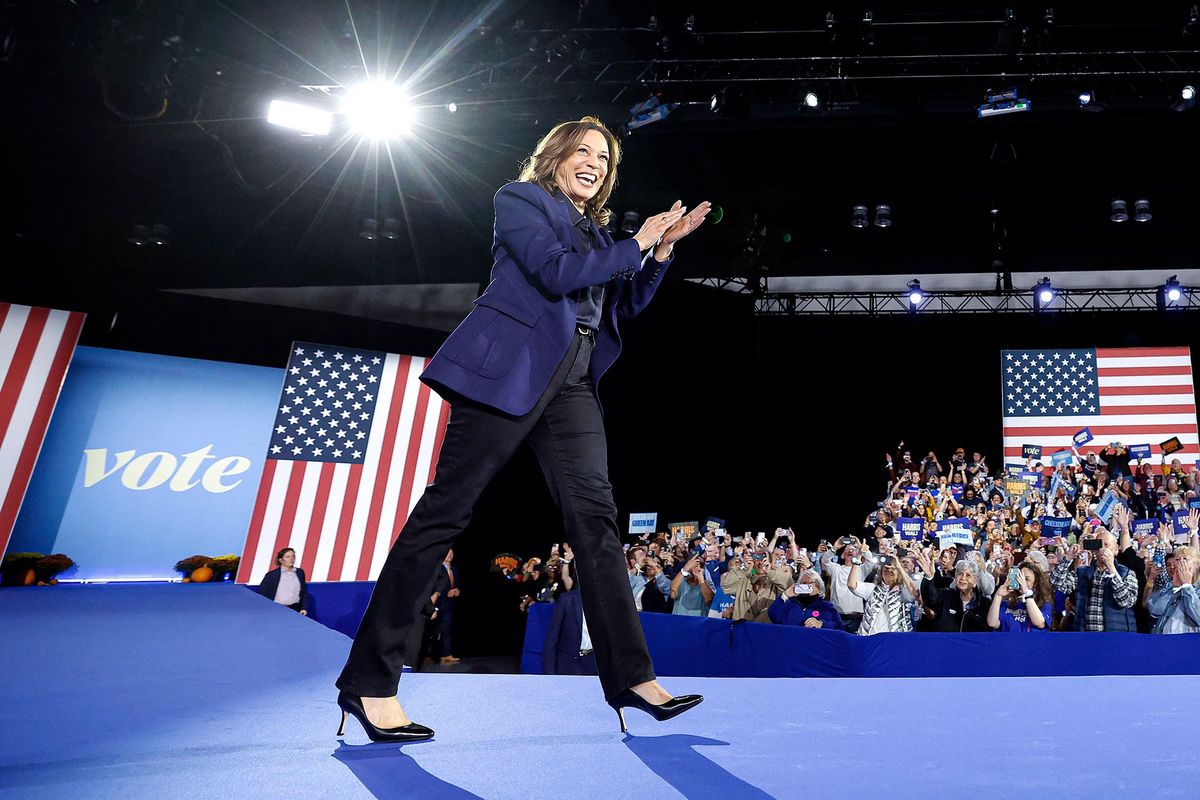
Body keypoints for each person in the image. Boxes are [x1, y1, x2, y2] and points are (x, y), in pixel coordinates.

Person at [334, 116, 710, 742]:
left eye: (604, 158)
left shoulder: (599, 232)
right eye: (582, 151)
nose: (593, 163)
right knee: (446, 513)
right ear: (555, 156)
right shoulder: (520, 200)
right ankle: (369, 684)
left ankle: (632, 679)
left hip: (574, 381)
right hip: (509, 370)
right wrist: (638, 241)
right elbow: (555, 274)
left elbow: (621, 305)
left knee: (596, 522)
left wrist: (659, 252)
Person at [1049, 530, 1138, 632]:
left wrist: (1112, 569)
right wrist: (1068, 558)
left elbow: (1126, 602)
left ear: (1116, 549)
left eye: (1106, 545)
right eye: (1099, 545)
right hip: (1086, 636)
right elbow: (1056, 583)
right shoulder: (1082, 572)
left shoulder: (1126, 573)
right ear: (1094, 550)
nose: (1102, 549)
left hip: (1117, 635)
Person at [987, 562, 1053, 632]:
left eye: (1026, 579)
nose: (1021, 582)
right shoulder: (1007, 603)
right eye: (1019, 578)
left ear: (1036, 583)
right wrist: (998, 596)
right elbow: (992, 623)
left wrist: (1027, 593)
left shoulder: (1044, 604)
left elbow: (1040, 623)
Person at [1147, 546, 1200, 634]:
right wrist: (1175, 588)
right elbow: (1155, 611)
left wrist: (1187, 586)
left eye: (1185, 559)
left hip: (1189, 640)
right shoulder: (1170, 586)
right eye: (1177, 559)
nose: (1180, 562)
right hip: (1164, 638)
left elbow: (1198, 617)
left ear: (1196, 565)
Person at [768, 570, 843, 629]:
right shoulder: (790, 603)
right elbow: (773, 616)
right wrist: (785, 595)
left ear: (819, 588)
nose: (806, 585)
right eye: (804, 583)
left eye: (810, 583)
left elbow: (839, 626)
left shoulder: (826, 607)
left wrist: (821, 624)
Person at [257, 547, 308, 615]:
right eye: (288, 557)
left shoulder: (300, 572)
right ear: (281, 560)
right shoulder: (272, 575)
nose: (291, 559)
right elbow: (262, 594)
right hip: (276, 610)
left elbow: (303, 592)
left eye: (293, 556)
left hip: (296, 610)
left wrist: (304, 608)